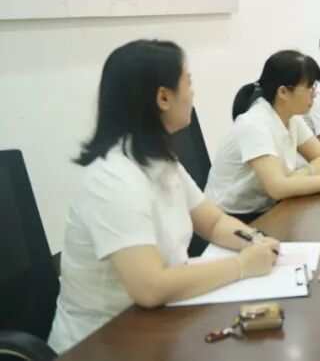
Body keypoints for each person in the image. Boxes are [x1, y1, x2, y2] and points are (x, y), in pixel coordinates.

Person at [48, 40, 280, 353]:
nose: (193, 93)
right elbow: (150, 288)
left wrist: (254, 241)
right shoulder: (112, 179)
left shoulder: (161, 161)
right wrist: (241, 265)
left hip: (160, 323)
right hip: (103, 342)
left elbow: (212, 222)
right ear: (163, 97)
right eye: (189, 83)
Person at [204, 51, 320, 223]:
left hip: (267, 207)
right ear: (283, 92)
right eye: (309, 88)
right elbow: (277, 188)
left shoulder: (291, 117)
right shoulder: (254, 123)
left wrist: (299, 176)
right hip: (230, 217)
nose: (315, 94)